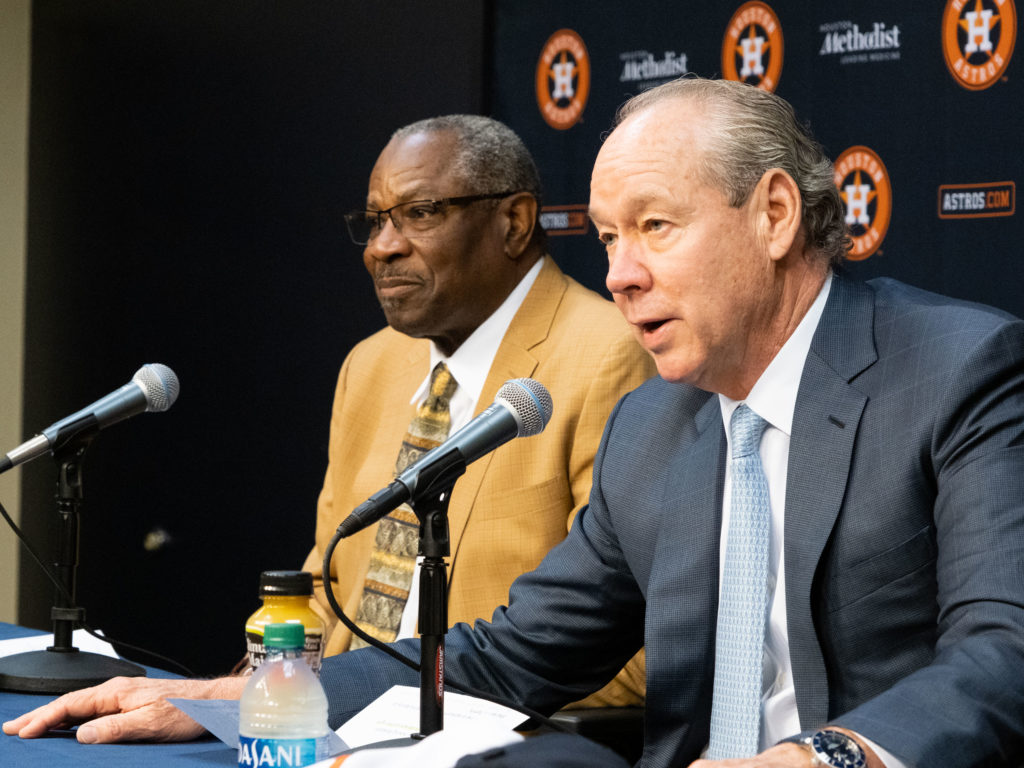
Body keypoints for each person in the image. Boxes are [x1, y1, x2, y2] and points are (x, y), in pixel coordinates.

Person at [7, 78, 1024, 768]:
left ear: (772, 216)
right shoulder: (656, 426)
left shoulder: (954, 371)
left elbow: (999, 653)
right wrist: (244, 701)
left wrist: (823, 756)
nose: (620, 274)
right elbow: (508, 656)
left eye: (655, 229)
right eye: (611, 238)